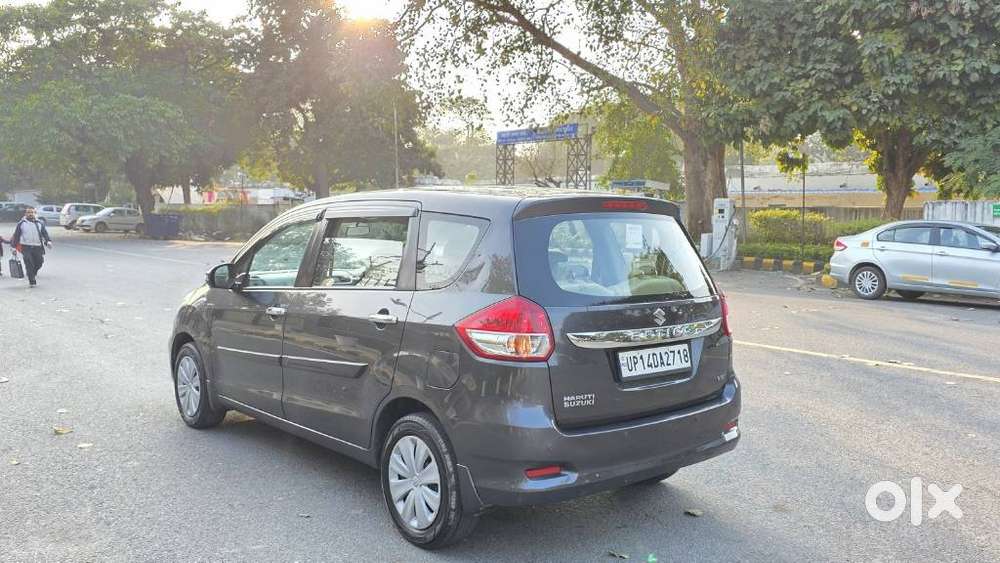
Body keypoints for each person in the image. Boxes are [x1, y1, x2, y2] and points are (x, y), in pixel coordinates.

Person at [10, 206, 52, 287]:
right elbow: (16, 236)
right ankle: (32, 281)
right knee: (28, 262)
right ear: (25, 214)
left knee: (40, 262)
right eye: (28, 212)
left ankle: (33, 272)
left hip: (38, 247)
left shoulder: (39, 223)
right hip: (26, 247)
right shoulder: (21, 223)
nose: (30, 214)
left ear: (35, 213)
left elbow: (45, 234)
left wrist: (48, 241)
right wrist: (13, 247)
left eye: (32, 212)